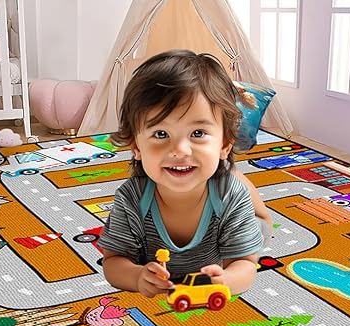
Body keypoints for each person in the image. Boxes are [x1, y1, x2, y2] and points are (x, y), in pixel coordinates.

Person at [99, 49, 273, 299]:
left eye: (198, 133)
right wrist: (137, 276)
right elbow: (113, 262)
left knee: (259, 230)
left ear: (225, 144)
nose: (180, 150)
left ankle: (229, 170)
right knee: (213, 170)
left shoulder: (230, 196)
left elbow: (245, 264)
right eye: (161, 134)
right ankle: (219, 164)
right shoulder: (132, 198)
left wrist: (226, 280)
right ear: (136, 147)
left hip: (240, 213)